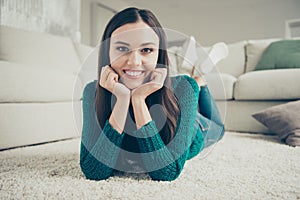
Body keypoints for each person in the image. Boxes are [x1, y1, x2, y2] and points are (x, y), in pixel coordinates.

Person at [80, 7, 224, 181]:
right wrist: (123, 100)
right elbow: (94, 171)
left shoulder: (184, 88)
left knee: (220, 129)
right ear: (107, 52)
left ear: (159, 54)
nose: (134, 61)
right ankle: (197, 75)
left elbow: (167, 172)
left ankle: (201, 81)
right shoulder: (92, 92)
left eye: (146, 50)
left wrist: (139, 100)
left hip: (195, 127)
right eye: (122, 48)